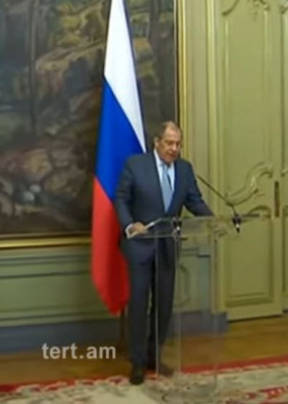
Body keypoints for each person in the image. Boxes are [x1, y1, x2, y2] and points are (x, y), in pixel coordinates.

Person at [113, 121, 213, 385]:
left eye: (178, 144)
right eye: (169, 143)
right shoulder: (136, 165)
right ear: (157, 142)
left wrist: (213, 220)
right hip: (140, 245)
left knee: (164, 305)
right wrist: (129, 225)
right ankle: (136, 362)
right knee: (138, 304)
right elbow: (121, 198)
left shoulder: (184, 169)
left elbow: (194, 201)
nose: (174, 149)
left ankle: (153, 356)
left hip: (168, 245)